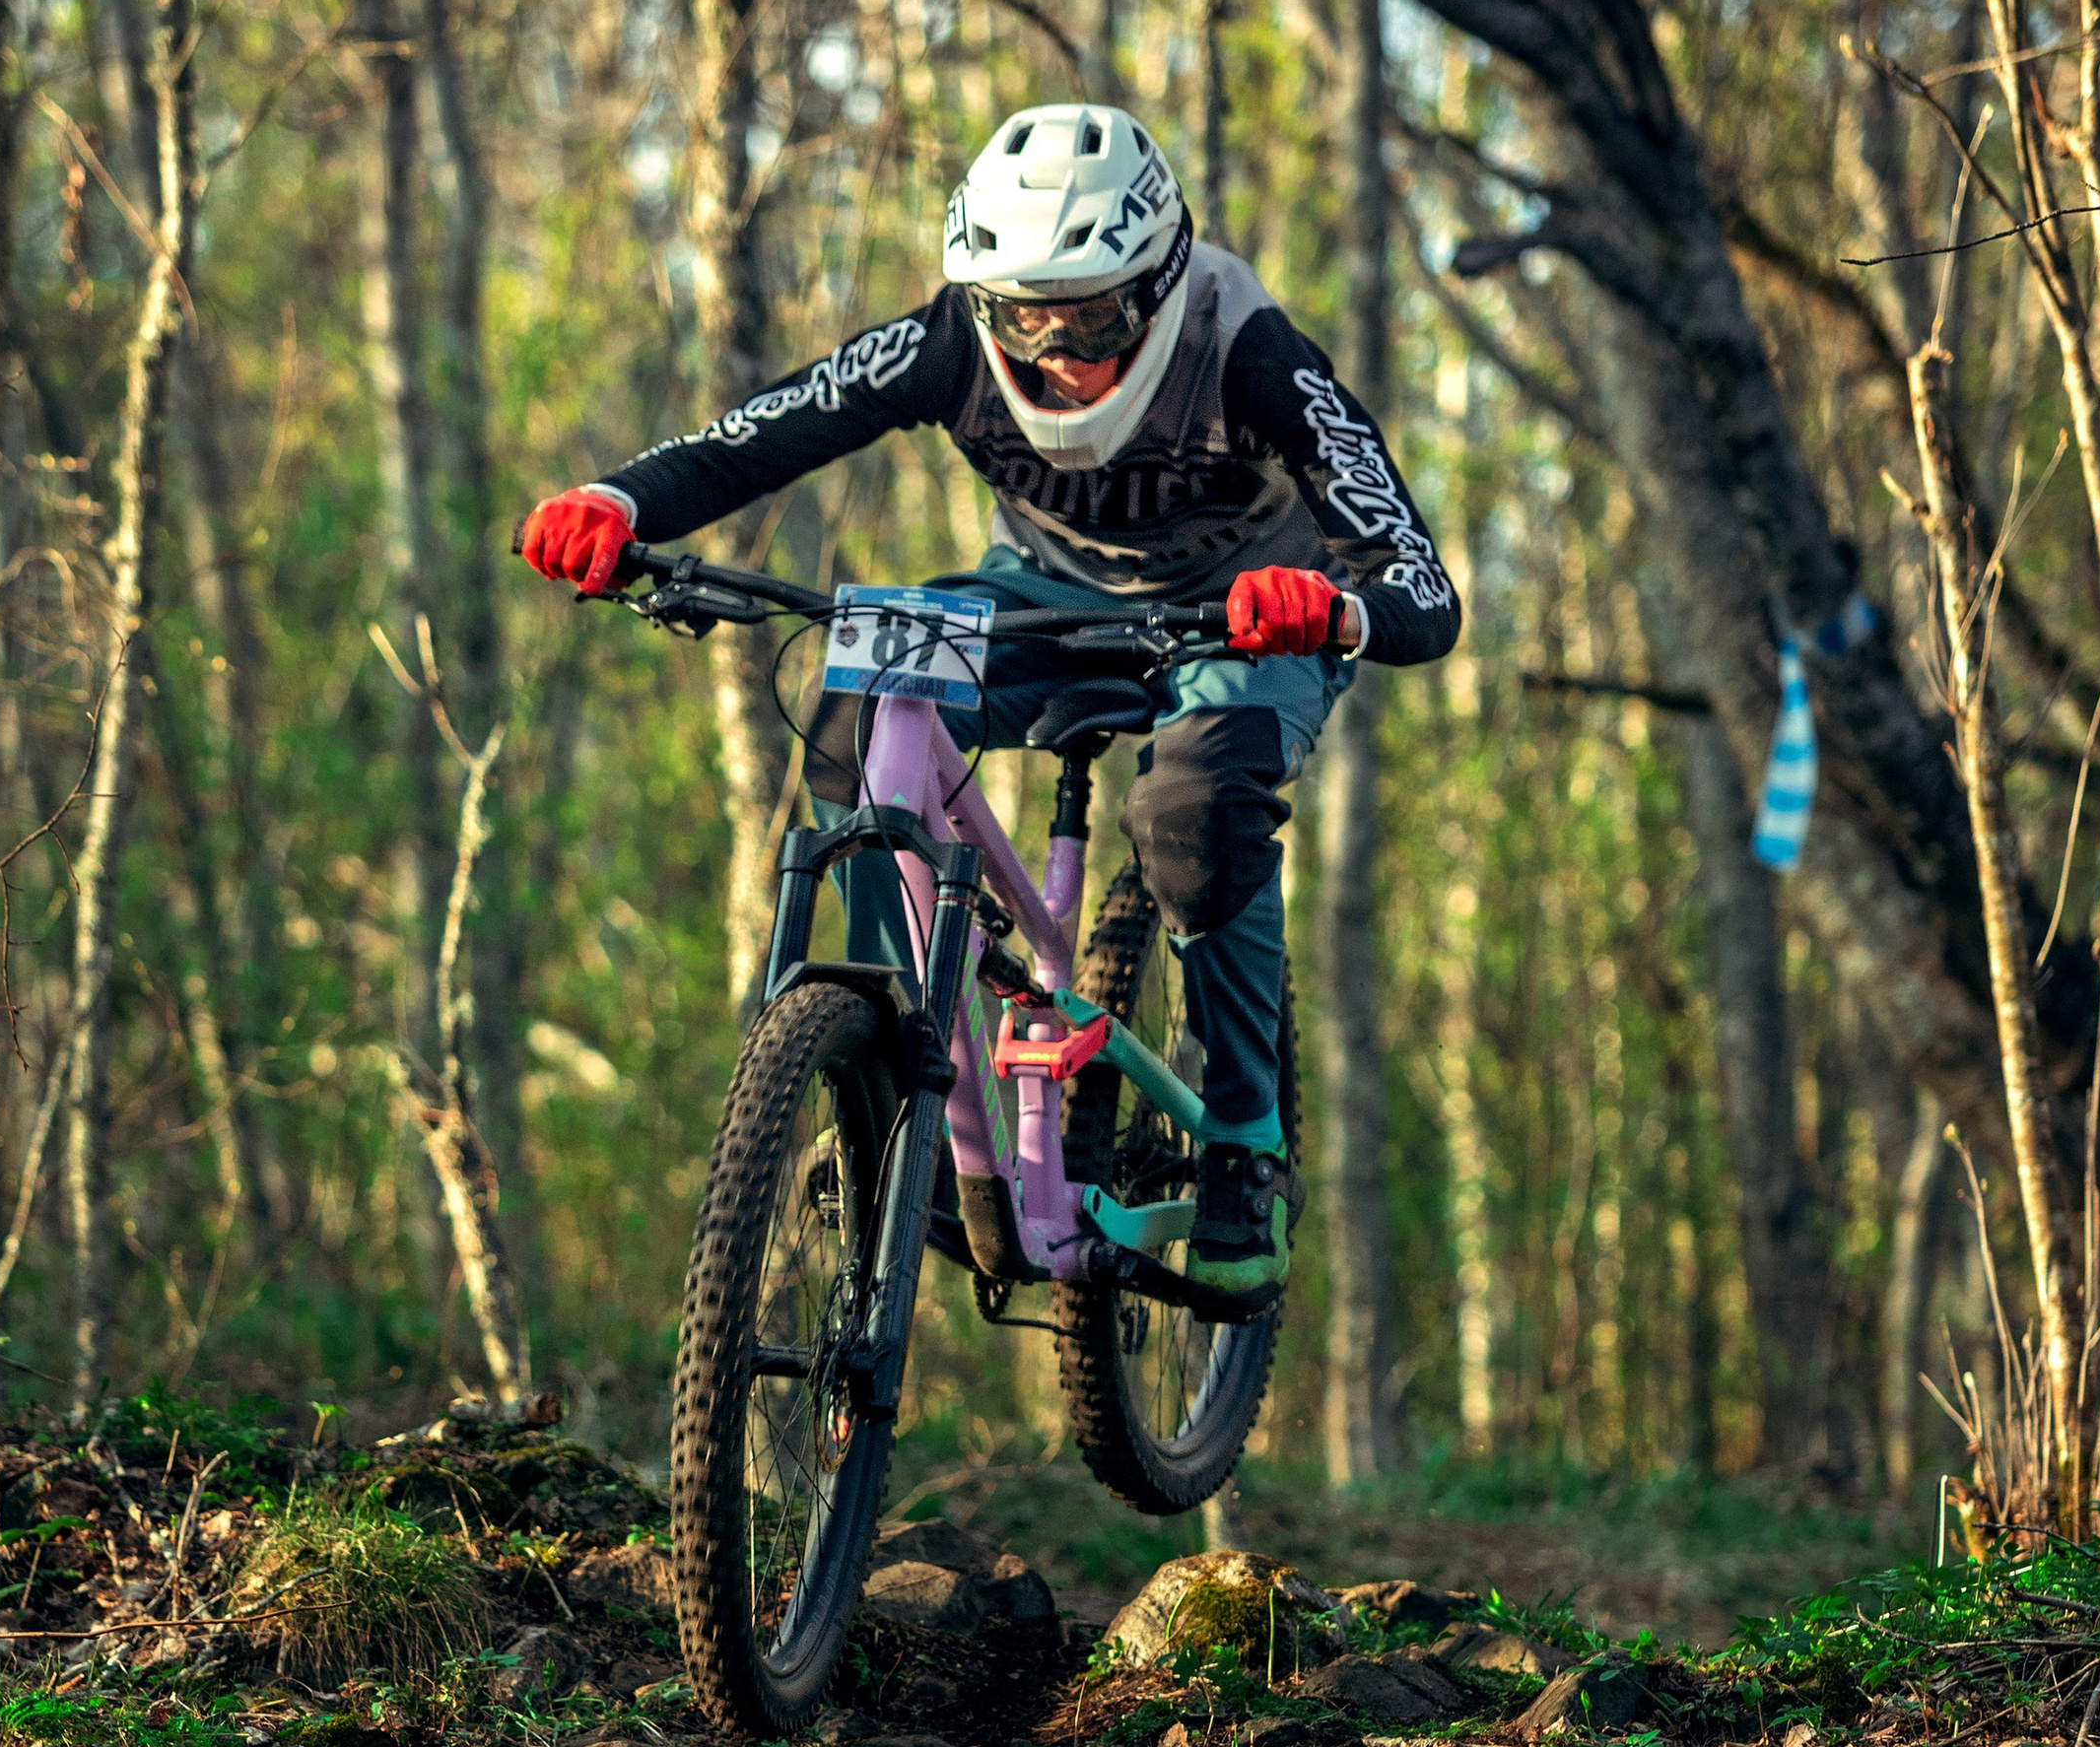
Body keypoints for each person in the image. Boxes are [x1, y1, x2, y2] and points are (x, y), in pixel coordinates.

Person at [521, 104, 1459, 1305]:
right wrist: (618, 501)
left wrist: (1335, 612)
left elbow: (1420, 587)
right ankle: (893, 1051)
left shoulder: (1252, 351)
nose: (1059, 349)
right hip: (1043, 598)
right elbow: (763, 430)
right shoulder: (948, 343)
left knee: (1192, 811)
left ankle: (1242, 1143)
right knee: (856, 699)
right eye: (1026, 313)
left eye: (1097, 314)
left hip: (1245, 614)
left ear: (1163, 281)